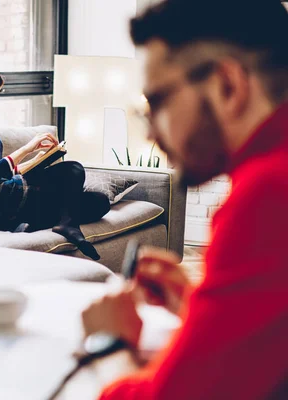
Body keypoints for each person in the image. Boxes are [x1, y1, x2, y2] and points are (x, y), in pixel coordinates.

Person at [76, 0, 288, 399]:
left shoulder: (268, 195)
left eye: (156, 102)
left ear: (228, 86)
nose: (152, 132)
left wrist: (108, 342)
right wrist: (203, 310)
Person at [0, 61, 110, 260]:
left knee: (99, 202)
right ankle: (65, 224)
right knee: (73, 170)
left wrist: (40, 159)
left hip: (7, 191)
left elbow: (1, 170)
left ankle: (37, 224)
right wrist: (27, 148)